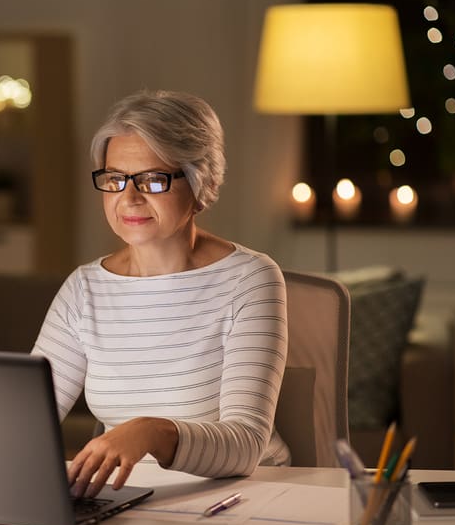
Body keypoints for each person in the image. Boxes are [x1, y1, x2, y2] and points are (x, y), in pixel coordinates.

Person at [32, 90, 290, 499]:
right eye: (115, 179)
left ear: (200, 183)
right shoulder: (84, 288)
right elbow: (27, 418)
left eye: (153, 179)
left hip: (244, 496)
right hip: (130, 494)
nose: (129, 198)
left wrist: (150, 432)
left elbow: (245, 446)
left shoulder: (250, 279)